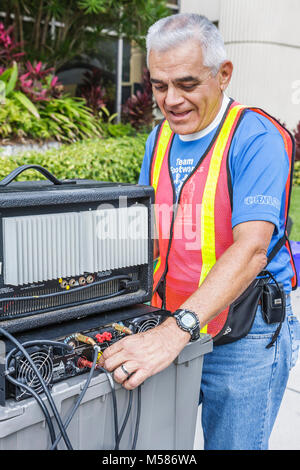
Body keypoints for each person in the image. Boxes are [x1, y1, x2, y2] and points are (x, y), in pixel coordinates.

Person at [99, 13, 300, 450]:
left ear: (223, 74)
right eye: (158, 85)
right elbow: (149, 231)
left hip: (243, 337)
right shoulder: (160, 139)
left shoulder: (257, 137)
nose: (170, 100)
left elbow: (251, 251)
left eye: (187, 84)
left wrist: (175, 333)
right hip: (168, 322)